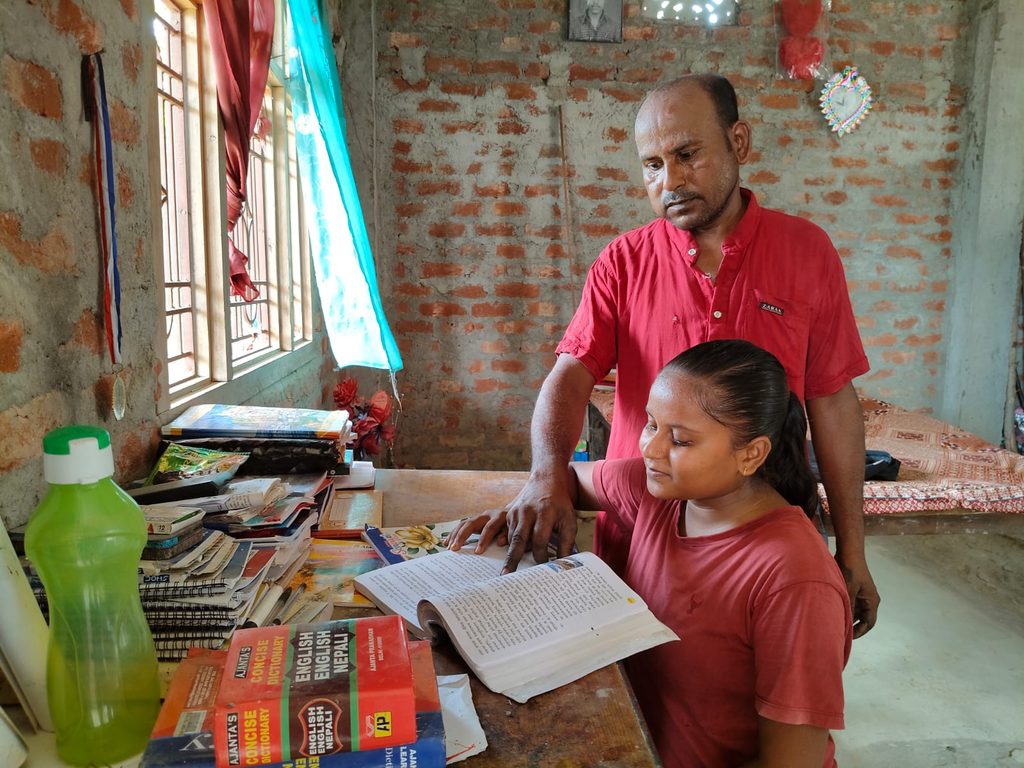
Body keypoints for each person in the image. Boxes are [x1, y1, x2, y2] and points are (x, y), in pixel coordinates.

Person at [496, 72, 880, 637]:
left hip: (766, 533)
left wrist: (853, 547)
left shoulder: (807, 253)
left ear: (739, 143)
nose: (669, 180)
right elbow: (572, 372)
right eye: (652, 164)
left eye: (687, 154)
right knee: (636, 684)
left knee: (751, 691)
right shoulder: (622, 262)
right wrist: (545, 472)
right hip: (642, 524)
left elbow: (832, 399)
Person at [452, 340, 853, 767]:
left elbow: (791, 763)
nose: (651, 448)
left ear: (751, 454)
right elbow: (562, 481)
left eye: (680, 439)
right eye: (650, 424)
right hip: (636, 740)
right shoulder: (660, 491)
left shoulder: (793, 579)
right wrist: (527, 503)